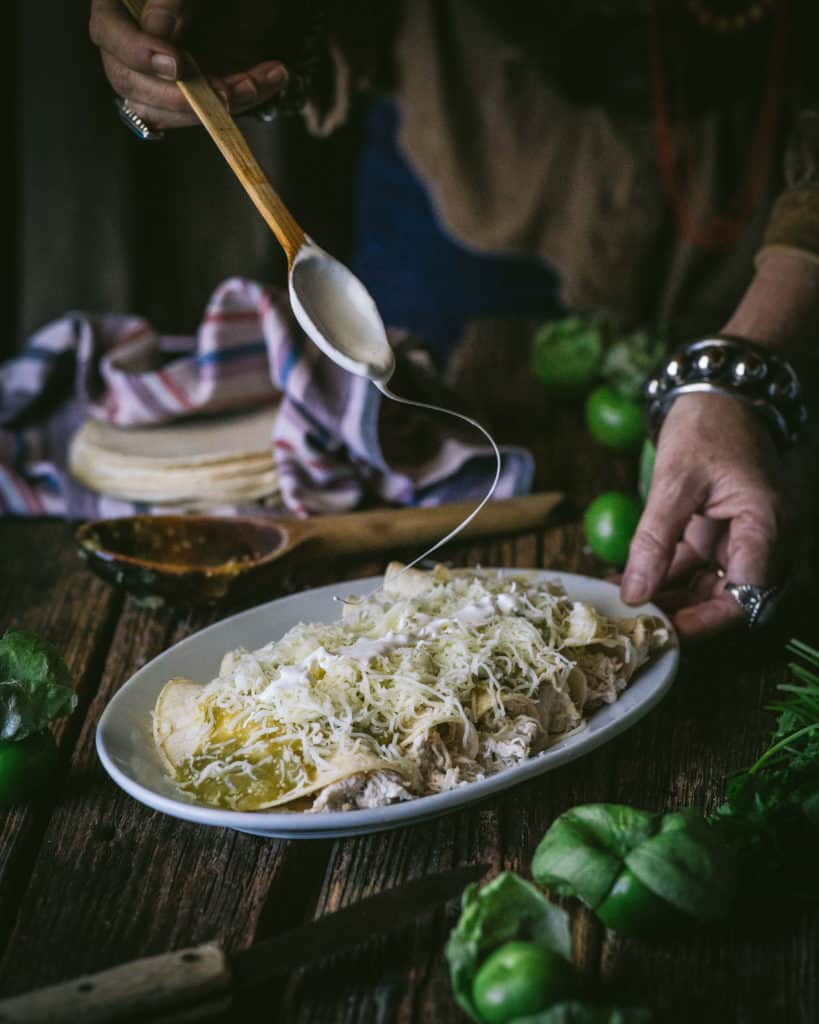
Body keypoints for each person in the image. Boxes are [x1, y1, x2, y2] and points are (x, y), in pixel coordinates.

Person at [88, 0, 819, 640]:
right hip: (468, 142)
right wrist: (251, 22)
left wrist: (750, 362)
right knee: (422, 406)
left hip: (762, 181)